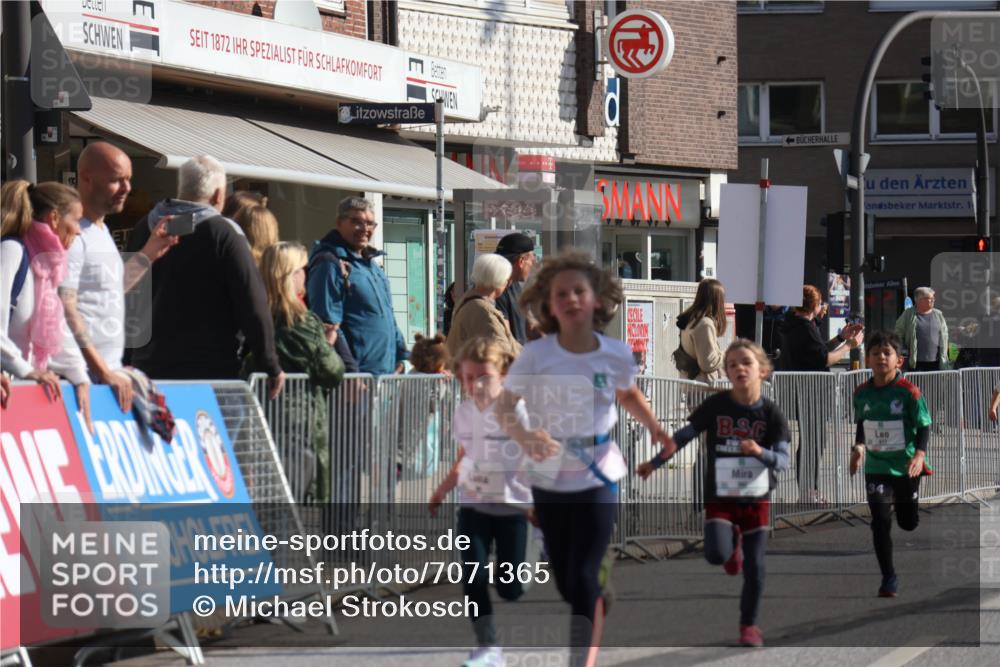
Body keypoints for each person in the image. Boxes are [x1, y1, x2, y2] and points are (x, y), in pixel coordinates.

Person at [496, 249, 671, 666]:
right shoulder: (535, 356)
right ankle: (595, 591)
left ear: (597, 299)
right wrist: (526, 435)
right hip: (549, 472)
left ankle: (582, 659)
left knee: (583, 575)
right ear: (548, 304)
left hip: (597, 470)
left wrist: (655, 427)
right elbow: (504, 408)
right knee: (565, 579)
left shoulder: (615, 354)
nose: (571, 299)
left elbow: (628, 394)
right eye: (561, 293)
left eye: (579, 291)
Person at [639, 339, 791, 648]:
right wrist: (655, 462)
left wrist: (759, 452)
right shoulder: (717, 405)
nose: (739, 369)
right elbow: (685, 434)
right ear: (727, 372)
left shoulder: (772, 414)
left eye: (746, 363)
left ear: (762, 371)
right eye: (732, 364)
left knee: (756, 566)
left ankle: (749, 626)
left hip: (756, 498)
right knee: (715, 554)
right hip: (721, 496)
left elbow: (783, 460)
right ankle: (731, 544)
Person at [128, 155, 284, 399]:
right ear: (219, 195)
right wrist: (270, 363)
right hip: (208, 371)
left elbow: (128, 297)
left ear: (181, 187)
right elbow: (251, 300)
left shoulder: (145, 228)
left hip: (147, 369)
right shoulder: (222, 232)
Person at [429, 337, 532, 667]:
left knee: (509, 588)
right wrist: (442, 489)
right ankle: (489, 646)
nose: (476, 385)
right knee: (472, 575)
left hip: (512, 506)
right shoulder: (464, 413)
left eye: (484, 377)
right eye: (469, 378)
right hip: (473, 506)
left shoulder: (514, 409)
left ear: (502, 374)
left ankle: (526, 562)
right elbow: (465, 455)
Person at [59, 141, 178, 414]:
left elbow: (110, 288)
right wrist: (102, 370)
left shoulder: (100, 230)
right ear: (86, 178)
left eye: (128, 179)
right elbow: (65, 308)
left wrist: (149, 253)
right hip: (84, 382)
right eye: (116, 180)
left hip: (105, 377)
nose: (127, 188)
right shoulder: (74, 236)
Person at [252, 242, 344, 501]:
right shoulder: (301, 320)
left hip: (261, 415)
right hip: (295, 421)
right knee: (286, 503)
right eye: (302, 269)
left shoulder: (257, 313)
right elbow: (332, 371)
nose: (305, 275)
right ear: (290, 274)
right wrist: (327, 343)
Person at [0, 180, 92, 429]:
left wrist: (80, 377)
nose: (79, 231)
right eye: (77, 220)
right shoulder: (11, 251)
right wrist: (26, 370)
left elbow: (55, 335)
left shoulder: (46, 266)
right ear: (54, 218)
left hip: (17, 396)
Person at [850, 330, 932, 598]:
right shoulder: (861, 392)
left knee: (908, 523)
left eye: (887, 353)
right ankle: (888, 577)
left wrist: (919, 455)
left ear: (899, 360)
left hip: (906, 466)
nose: (881, 358)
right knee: (880, 520)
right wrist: (858, 447)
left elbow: (924, 425)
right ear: (868, 359)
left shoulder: (909, 392)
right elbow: (863, 422)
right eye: (875, 353)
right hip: (876, 467)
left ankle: (907, 503)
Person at [780, 285, 864, 503]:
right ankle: (809, 491)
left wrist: (841, 337)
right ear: (813, 305)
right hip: (809, 392)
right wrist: (849, 346)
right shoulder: (804, 327)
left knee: (813, 441)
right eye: (819, 302)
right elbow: (824, 359)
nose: (822, 306)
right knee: (813, 442)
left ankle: (810, 490)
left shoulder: (797, 325)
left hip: (805, 390)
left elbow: (818, 351)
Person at [307, 196, 408, 375]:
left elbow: (389, 317)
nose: (365, 229)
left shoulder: (372, 265)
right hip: (355, 379)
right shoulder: (329, 263)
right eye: (357, 222)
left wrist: (401, 358)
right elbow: (328, 324)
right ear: (339, 223)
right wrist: (352, 374)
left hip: (386, 375)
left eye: (370, 223)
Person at [446, 254, 521, 360]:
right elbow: (502, 349)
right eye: (507, 279)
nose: (508, 283)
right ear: (498, 280)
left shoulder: (471, 301)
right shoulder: (481, 310)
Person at [676, 278, 727, 383]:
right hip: (702, 386)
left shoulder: (691, 319)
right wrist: (728, 355)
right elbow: (708, 363)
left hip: (691, 384)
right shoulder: (704, 324)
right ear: (717, 300)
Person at [493, 232, 538, 345]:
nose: (533, 265)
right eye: (532, 260)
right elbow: (505, 338)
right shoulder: (496, 291)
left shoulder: (515, 286)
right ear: (521, 261)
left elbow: (530, 325)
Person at [894, 287, 949, 371]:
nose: (933, 300)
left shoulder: (938, 314)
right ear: (918, 300)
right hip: (915, 363)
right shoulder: (908, 314)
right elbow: (898, 334)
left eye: (933, 298)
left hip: (937, 363)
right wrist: (902, 350)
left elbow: (945, 335)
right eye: (929, 298)